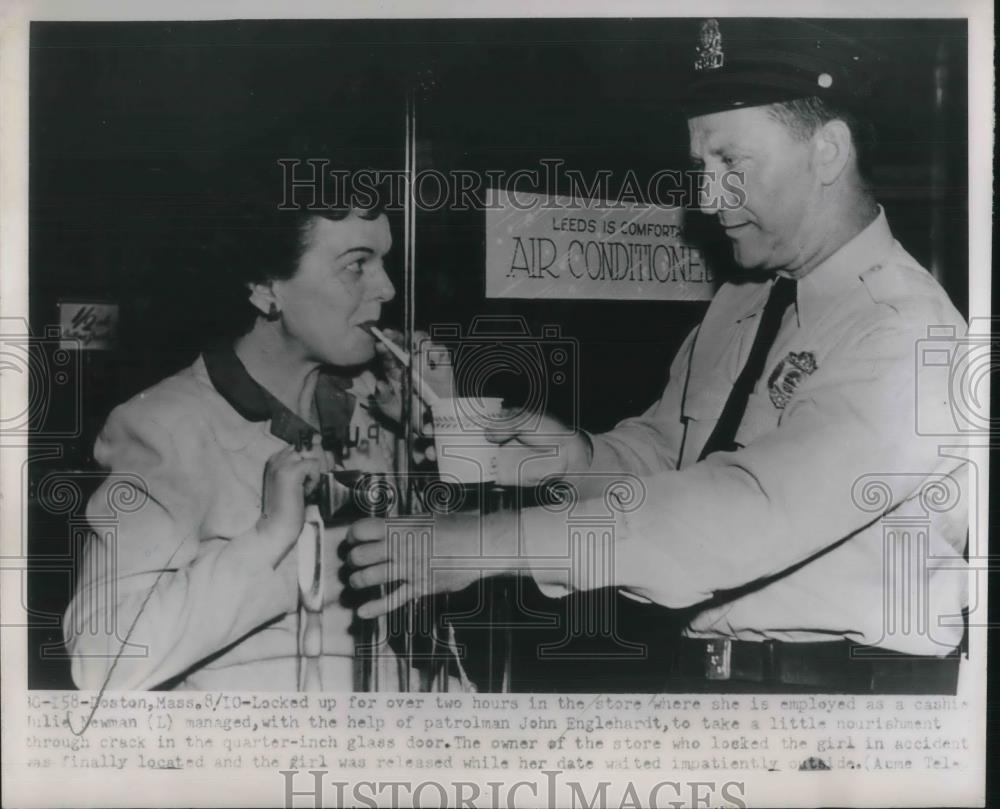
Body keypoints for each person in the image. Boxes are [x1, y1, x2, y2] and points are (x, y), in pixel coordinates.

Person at [347, 20, 969, 694]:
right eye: (703, 168)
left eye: (733, 163)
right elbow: (670, 455)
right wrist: (575, 457)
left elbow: (737, 516)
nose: (708, 198)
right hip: (716, 688)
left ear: (828, 151)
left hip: (843, 710)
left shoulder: (903, 332)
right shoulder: (745, 300)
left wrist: (479, 544)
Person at [62, 165, 453, 691]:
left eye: (384, 260)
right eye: (357, 265)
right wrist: (270, 537)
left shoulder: (377, 409)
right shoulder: (165, 426)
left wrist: (442, 436)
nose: (386, 288)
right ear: (267, 288)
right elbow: (101, 661)